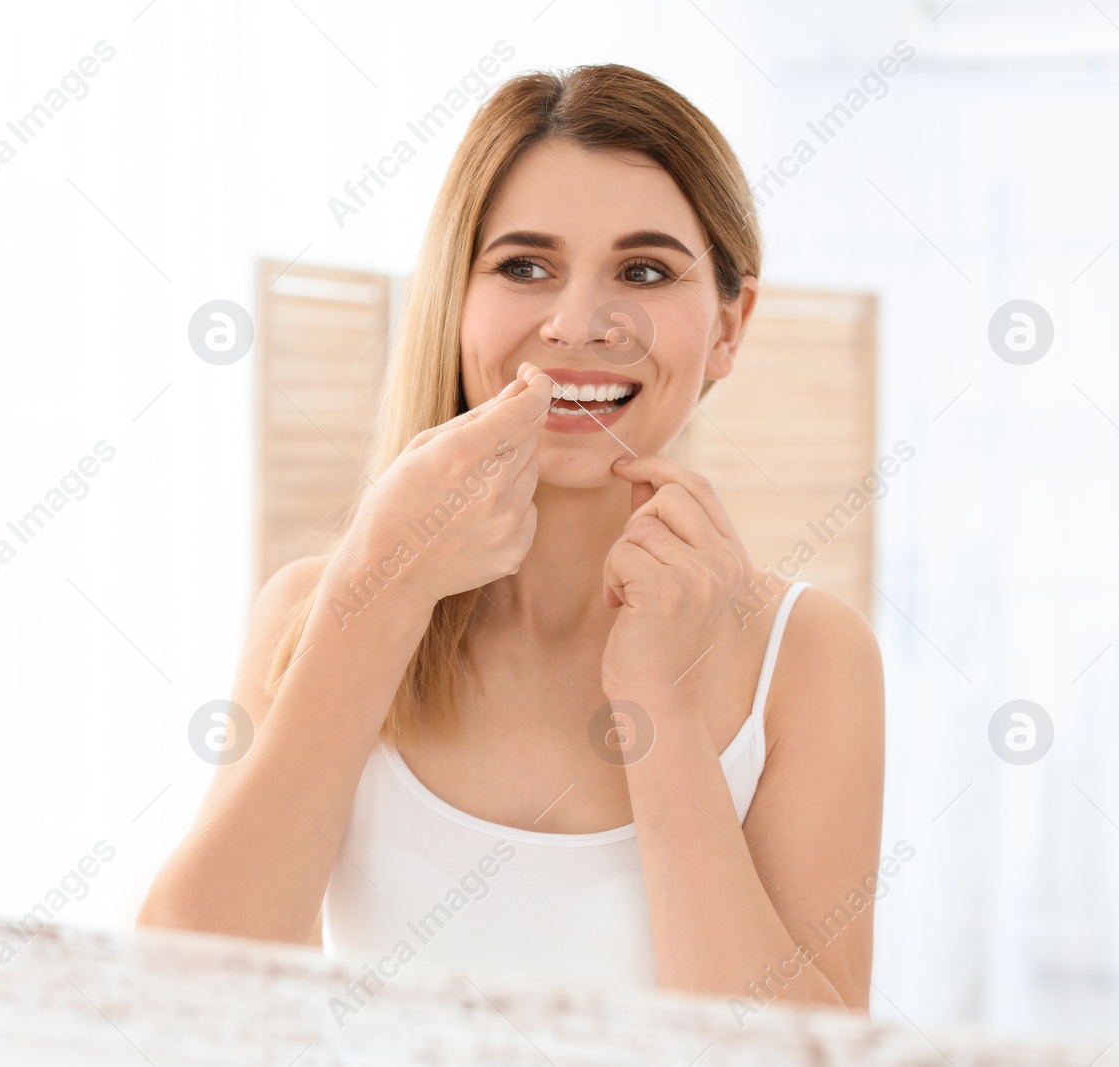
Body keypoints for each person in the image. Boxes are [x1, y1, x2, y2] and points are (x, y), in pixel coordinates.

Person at [139, 64, 884, 1013]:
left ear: (731, 327)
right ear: (455, 302)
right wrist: (383, 587)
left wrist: (658, 705)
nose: (576, 324)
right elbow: (181, 997)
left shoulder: (810, 658)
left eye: (644, 271)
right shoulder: (312, 608)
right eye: (524, 266)